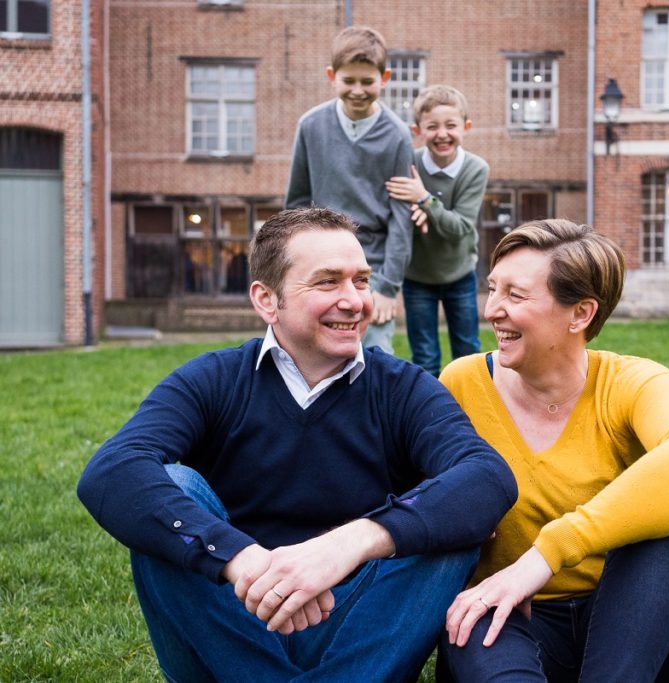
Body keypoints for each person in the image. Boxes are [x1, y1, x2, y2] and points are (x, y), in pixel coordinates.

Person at [77, 208, 518, 683]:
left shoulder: (402, 388)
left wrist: (346, 546)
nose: (354, 301)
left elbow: (488, 477)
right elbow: (111, 471)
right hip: (224, 621)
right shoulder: (215, 379)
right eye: (328, 282)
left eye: (361, 281)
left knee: (446, 520)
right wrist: (239, 561)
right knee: (169, 491)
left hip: (355, 629)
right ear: (267, 300)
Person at [437, 219, 669, 682]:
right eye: (492, 289)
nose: (492, 309)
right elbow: (420, 495)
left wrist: (544, 556)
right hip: (509, 615)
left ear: (581, 314)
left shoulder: (635, 383)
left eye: (516, 295)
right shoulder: (461, 382)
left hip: (630, 629)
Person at [285, 25, 413, 354]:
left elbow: (401, 218)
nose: (358, 90)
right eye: (349, 81)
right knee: (314, 353)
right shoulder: (310, 126)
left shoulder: (397, 135)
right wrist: (294, 267)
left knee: (374, 358)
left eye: (367, 82)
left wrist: (387, 287)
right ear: (332, 76)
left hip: (372, 267)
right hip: (320, 261)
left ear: (384, 79)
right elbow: (296, 204)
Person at [385, 85, 489, 377]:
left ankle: (471, 413)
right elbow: (396, 215)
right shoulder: (409, 164)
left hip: (459, 274)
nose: (442, 134)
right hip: (417, 277)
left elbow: (459, 228)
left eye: (451, 125)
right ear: (417, 129)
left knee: (468, 352)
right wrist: (416, 211)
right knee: (425, 356)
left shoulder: (476, 169)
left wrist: (424, 200)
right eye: (432, 126)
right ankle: (428, 416)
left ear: (466, 127)